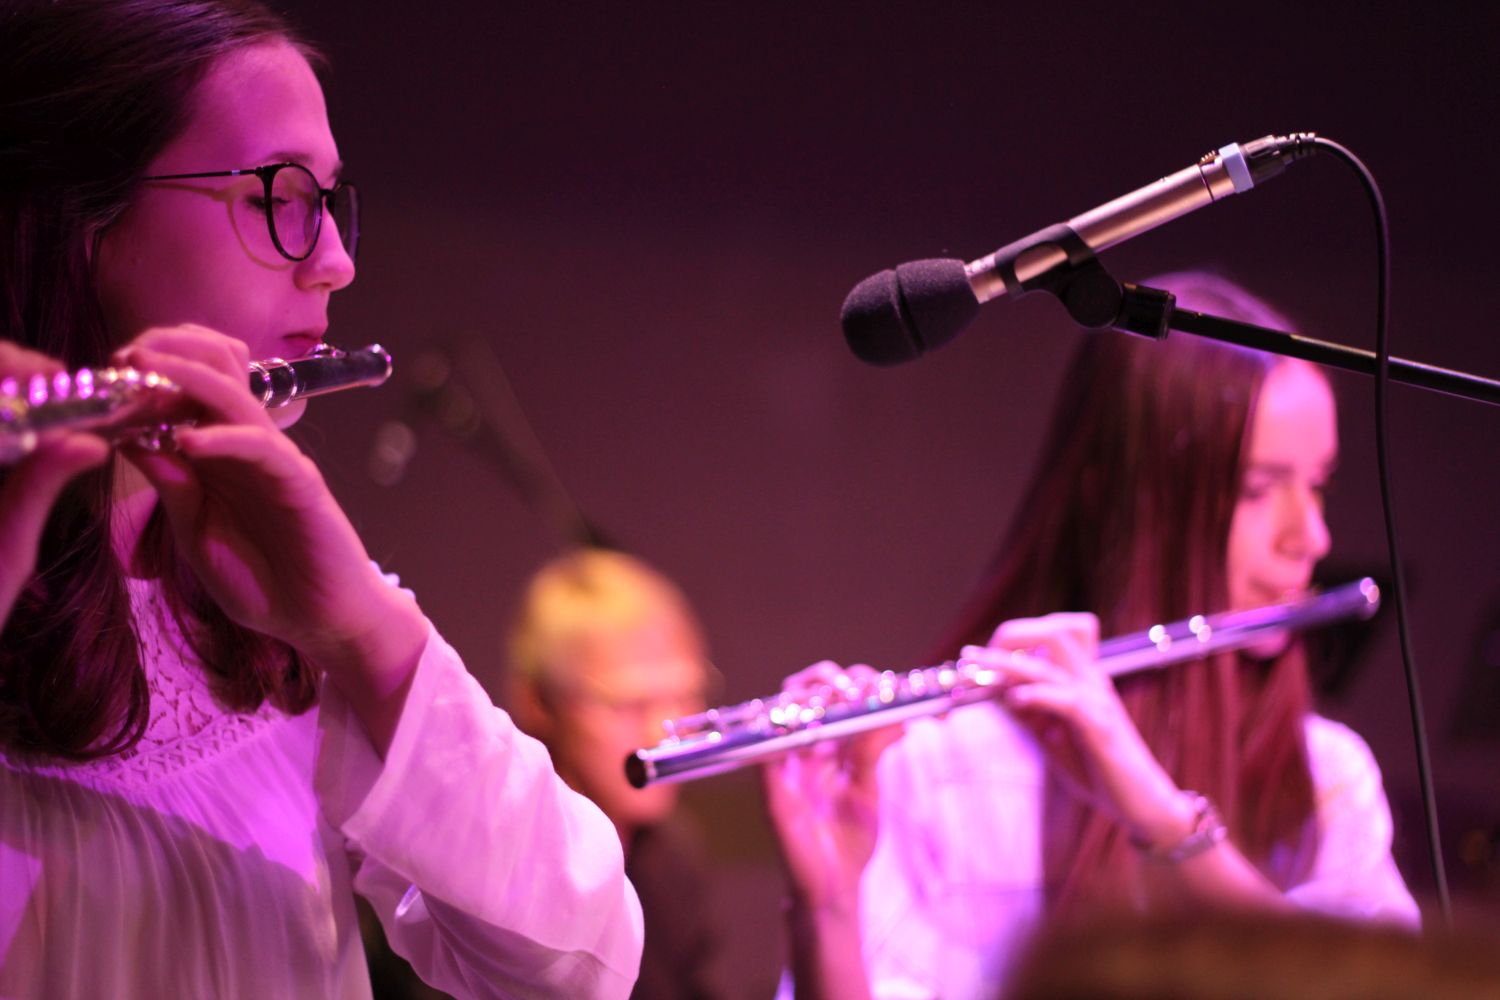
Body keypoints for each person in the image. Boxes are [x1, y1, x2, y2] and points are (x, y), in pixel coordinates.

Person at [0, 2, 642, 997]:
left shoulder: (287, 617)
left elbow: (577, 966)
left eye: (332, 201)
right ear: (85, 225)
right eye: (280, 194)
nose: (335, 260)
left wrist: (369, 634)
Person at [763, 273, 1420, 1000]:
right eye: (1257, 490)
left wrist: (1164, 821)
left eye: (1318, 484)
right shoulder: (950, 768)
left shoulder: (1327, 779)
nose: (1312, 537)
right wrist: (829, 911)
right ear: (1133, 503)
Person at [506, 548, 731, 1000]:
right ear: (540, 702)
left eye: (683, 696)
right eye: (628, 704)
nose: (661, 732)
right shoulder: (501, 860)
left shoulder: (670, 854)